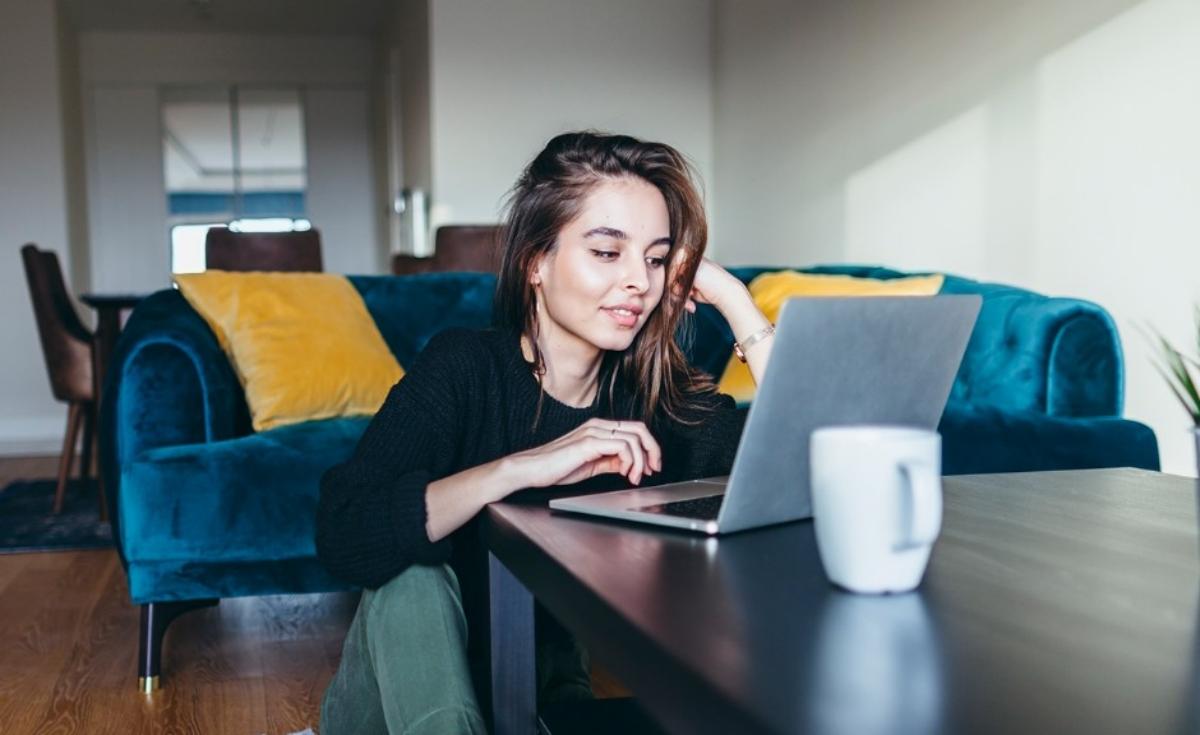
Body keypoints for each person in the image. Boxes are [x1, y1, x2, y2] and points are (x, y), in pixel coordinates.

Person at [316, 131, 777, 734]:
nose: (639, 280)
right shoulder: (463, 369)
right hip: (386, 706)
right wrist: (518, 470)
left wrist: (735, 301)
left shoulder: (653, 401)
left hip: (530, 695)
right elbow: (345, 531)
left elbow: (803, 463)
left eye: (657, 258)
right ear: (536, 260)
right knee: (413, 575)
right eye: (609, 253)